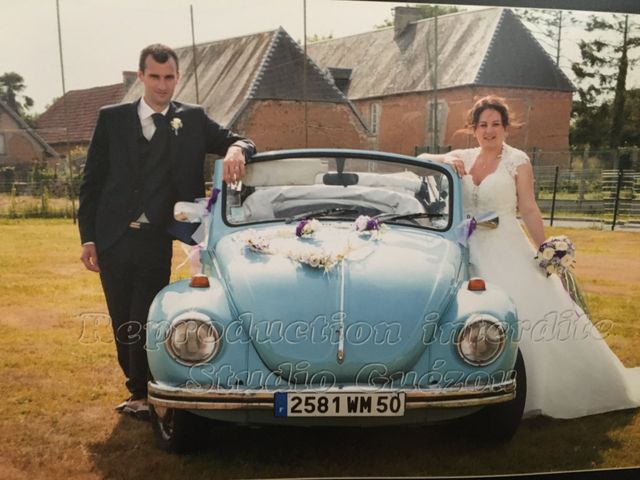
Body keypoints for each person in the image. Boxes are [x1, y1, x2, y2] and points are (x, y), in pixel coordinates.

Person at [420, 95, 640, 419]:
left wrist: (546, 252)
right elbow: (424, 157)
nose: (489, 131)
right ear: (474, 129)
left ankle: (529, 388)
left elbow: (529, 208)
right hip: (466, 246)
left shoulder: (517, 160)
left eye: (496, 124)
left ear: (506, 128)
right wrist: (443, 160)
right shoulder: (464, 156)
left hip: (506, 245)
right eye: (483, 125)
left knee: (526, 315)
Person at [78, 43, 256, 419]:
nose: (163, 85)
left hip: (158, 237)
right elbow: (91, 183)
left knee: (145, 315)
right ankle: (136, 388)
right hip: (112, 237)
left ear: (178, 77)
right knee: (121, 318)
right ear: (141, 76)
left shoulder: (191, 119)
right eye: (155, 77)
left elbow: (237, 139)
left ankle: (143, 393)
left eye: (170, 77)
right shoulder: (112, 118)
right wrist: (88, 238)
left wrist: (238, 150)